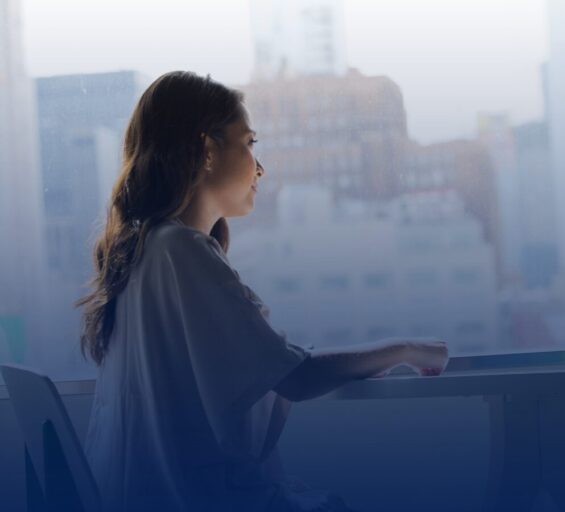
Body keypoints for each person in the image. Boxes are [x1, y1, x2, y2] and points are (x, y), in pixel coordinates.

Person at [77, 71, 449, 512]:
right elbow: (293, 375)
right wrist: (402, 349)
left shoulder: (144, 250)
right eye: (250, 143)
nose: (260, 166)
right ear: (208, 150)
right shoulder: (179, 249)